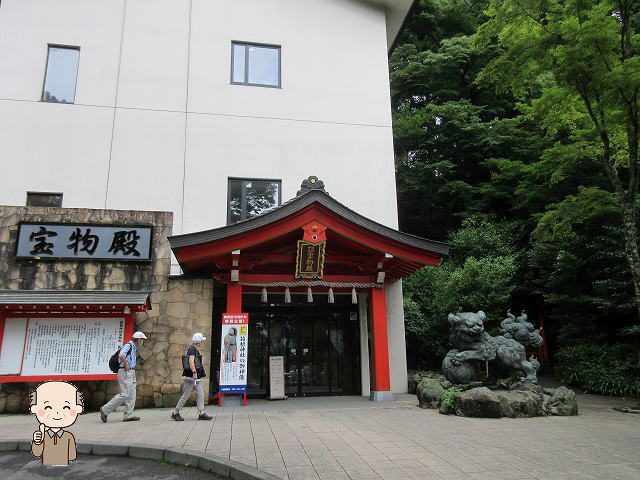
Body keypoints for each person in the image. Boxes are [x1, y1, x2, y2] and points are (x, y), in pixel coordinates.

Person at [30, 381, 83, 466]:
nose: (57, 412)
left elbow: (72, 455)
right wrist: (37, 442)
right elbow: (37, 452)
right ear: (35, 409)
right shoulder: (44, 436)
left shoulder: (68, 436)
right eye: (47, 407)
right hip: (47, 470)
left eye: (66, 407)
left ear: (77, 409)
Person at [100, 331, 147, 422]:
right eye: (141, 339)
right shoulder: (128, 346)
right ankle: (105, 409)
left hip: (130, 372)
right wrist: (126, 365)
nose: (142, 341)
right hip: (125, 372)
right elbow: (121, 355)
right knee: (126, 393)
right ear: (137, 339)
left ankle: (128, 416)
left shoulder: (133, 347)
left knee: (132, 394)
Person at [172, 332, 212, 421]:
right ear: (199, 342)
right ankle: (175, 412)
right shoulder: (193, 349)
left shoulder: (194, 349)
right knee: (186, 394)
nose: (202, 343)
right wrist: (194, 372)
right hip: (191, 377)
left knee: (200, 393)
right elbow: (191, 361)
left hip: (195, 377)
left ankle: (201, 413)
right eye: (201, 341)